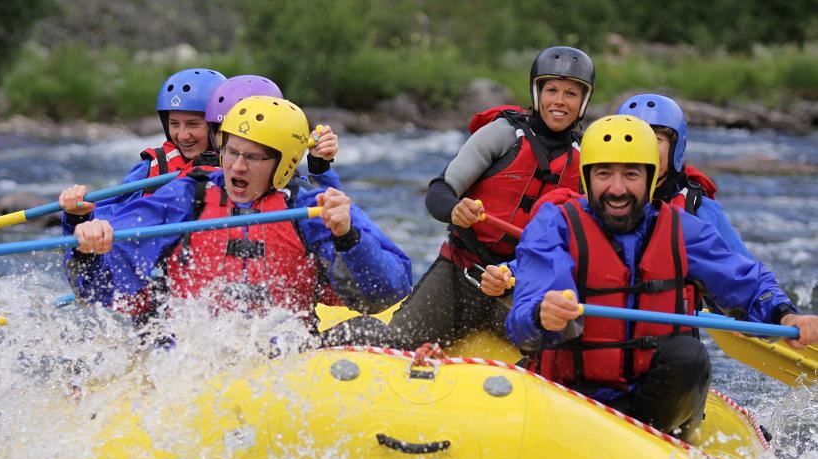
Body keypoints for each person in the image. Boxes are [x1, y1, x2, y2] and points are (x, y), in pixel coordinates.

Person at [505, 114, 818, 435]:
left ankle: (639, 435)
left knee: (690, 356)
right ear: (586, 179)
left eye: (630, 174)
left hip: (654, 403)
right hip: (572, 395)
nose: (617, 188)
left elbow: (746, 283)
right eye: (604, 174)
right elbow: (523, 320)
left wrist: (785, 315)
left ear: (651, 178)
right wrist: (544, 316)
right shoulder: (554, 225)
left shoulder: (683, 231)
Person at [323, 46, 595, 349]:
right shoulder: (503, 134)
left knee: (559, 356)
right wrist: (455, 210)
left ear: (583, 101)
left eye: (571, 94)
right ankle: (325, 344)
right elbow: (439, 191)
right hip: (462, 273)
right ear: (537, 93)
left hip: (523, 285)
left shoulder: (588, 161)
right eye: (552, 90)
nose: (559, 101)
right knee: (397, 344)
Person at [61, 96, 412, 329]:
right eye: (231, 152)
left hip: (285, 358)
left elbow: (388, 293)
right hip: (189, 357)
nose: (237, 167)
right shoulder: (185, 197)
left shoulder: (311, 208)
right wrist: (83, 237)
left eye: (254, 157)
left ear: (284, 162)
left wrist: (348, 237)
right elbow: (96, 289)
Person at [58, 68, 226, 215]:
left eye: (193, 124)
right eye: (174, 124)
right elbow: (113, 215)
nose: (182, 135)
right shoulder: (148, 170)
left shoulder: (239, 167)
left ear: (216, 126)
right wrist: (79, 215)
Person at [616, 93, 753, 258]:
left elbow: (747, 273)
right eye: (634, 138)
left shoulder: (700, 209)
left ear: (676, 148)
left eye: (656, 139)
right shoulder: (598, 201)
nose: (644, 147)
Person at [203, 75, 343, 189]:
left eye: (250, 136)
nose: (239, 143)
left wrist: (319, 166)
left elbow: (335, 211)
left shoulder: (294, 191)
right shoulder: (197, 185)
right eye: (224, 133)